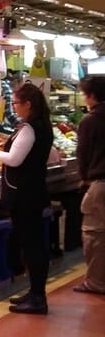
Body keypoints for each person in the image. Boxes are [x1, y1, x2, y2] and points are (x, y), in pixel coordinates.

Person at [0, 83, 53, 314]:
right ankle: (34, 292)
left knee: (32, 246)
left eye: (16, 103)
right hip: (33, 192)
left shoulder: (30, 128)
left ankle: (38, 298)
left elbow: (14, 159)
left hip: (25, 195)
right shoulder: (42, 125)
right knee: (32, 244)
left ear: (28, 104)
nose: (14, 107)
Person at [75, 75, 105, 294]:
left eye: (85, 94)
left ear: (92, 95)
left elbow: (82, 154)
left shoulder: (90, 121)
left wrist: (84, 177)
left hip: (100, 184)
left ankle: (96, 283)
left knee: (95, 234)